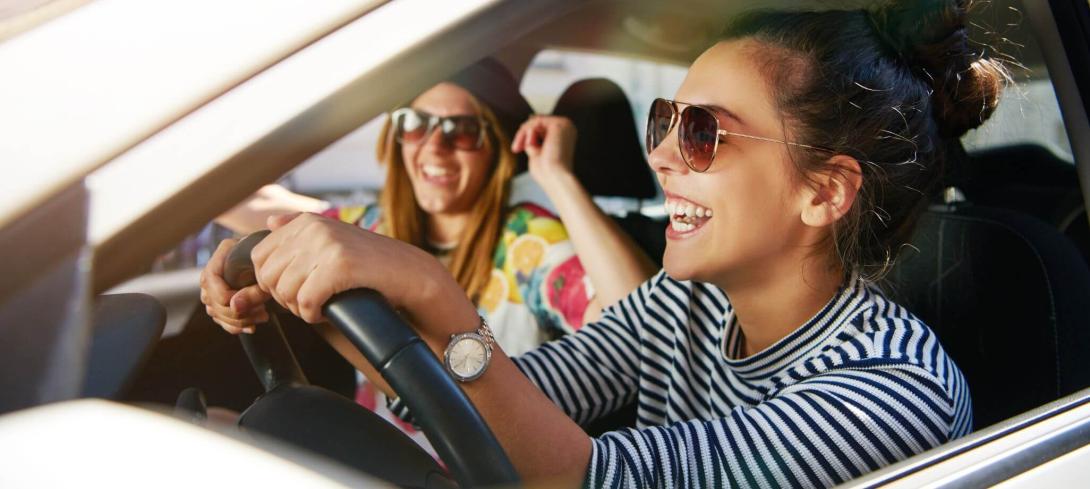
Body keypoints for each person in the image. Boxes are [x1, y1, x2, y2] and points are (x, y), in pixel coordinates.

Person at [201, 0, 1005, 486]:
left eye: (702, 133)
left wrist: (432, 292)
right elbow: (493, 392)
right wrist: (309, 287)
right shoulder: (683, 301)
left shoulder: (895, 388)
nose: (659, 154)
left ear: (822, 190)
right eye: (665, 120)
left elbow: (600, 480)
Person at [215, 58, 657, 354]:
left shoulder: (526, 243)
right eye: (416, 124)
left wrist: (559, 177)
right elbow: (251, 204)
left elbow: (642, 326)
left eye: (462, 130)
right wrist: (231, 275)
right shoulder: (366, 231)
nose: (435, 147)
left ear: (496, 152)